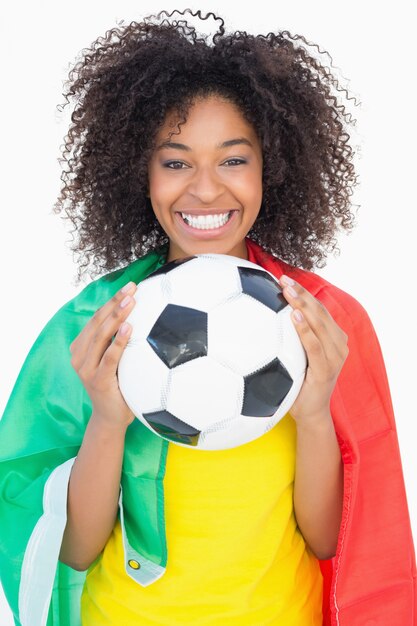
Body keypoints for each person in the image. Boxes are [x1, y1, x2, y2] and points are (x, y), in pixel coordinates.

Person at [0, 8, 415, 626]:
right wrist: (109, 420)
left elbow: (334, 543)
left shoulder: (321, 322)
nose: (205, 190)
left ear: (271, 167)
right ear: (137, 173)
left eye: (233, 159)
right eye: (175, 162)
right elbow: (74, 551)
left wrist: (314, 409)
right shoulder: (94, 325)